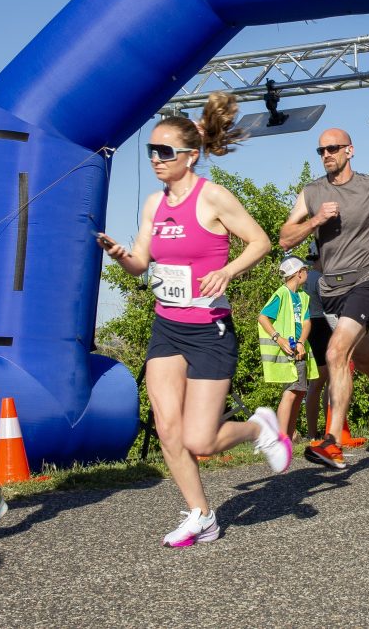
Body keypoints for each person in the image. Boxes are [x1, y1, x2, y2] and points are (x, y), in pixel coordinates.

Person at [97, 93, 285, 547]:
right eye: (151, 152)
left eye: (165, 152)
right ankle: (201, 515)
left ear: (190, 156)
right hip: (167, 326)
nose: (156, 160)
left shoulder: (213, 197)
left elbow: (260, 242)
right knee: (166, 427)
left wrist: (227, 270)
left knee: (200, 440)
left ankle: (261, 427)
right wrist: (123, 256)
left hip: (209, 331)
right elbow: (143, 262)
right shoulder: (152, 205)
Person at [279, 128, 369, 470]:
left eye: (332, 148)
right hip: (331, 290)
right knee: (368, 362)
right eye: (321, 150)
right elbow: (285, 238)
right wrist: (315, 220)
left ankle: (332, 442)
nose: (326, 154)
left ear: (349, 151)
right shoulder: (311, 193)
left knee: (336, 352)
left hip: (367, 279)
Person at [258, 257, 319, 439]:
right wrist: (278, 338)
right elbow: (263, 317)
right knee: (291, 392)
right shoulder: (282, 294)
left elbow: (306, 322)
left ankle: (289, 435)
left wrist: (301, 342)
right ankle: (281, 437)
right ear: (298, 273)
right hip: (288, 350)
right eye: (305, 270)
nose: (307, 273)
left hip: (299, 349)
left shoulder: (303, 297)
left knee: (299, 392)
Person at [302, 242, 334, 442]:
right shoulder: (320, 279)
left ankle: (316, 431)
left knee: (323, 380)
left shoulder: (306, 277)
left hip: (311, 325)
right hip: (322, 324)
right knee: (324, 379)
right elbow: (330, 306)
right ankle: (321, 432)